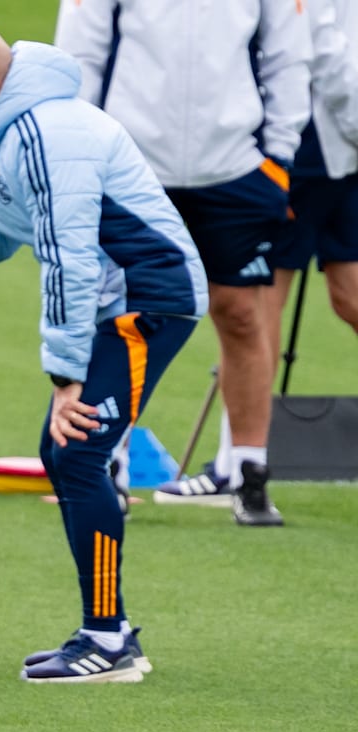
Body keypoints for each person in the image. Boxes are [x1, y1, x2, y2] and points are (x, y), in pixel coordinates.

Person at [0, 27, 207, 682]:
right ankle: (106, 632)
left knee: (77, 453)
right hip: (118, 303)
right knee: (65, 455)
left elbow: (72, 265)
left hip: (146, 300)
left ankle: (108, 642)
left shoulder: (47, 135)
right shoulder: (11, 135)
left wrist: (66, 377)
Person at [55, 0, 311, 526]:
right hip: (132, 166)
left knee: (241, 314)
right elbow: (80, 57)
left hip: (235, 169)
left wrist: (278, 159)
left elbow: (288, 58)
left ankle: (249, 473)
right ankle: (108, 461)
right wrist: (85, 154)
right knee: (122, 313)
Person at [267, 0, 358, 360]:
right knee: (350, 291)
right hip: (331, 136)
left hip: (313, 137)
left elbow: (323, 46)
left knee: (261, 298)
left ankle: (245, 420)